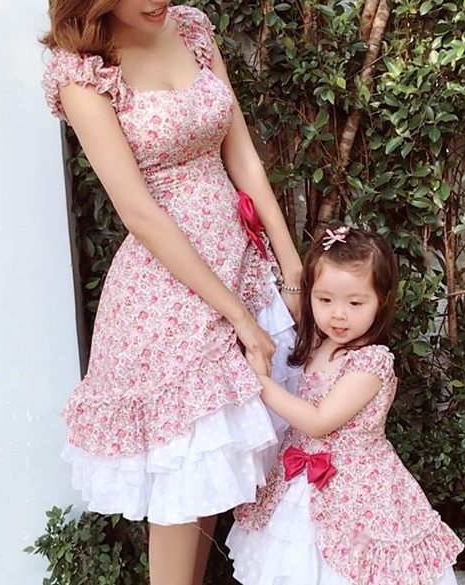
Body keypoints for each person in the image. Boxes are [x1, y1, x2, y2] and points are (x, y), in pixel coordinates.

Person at [40, 2, 302, 584]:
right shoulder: (81, 71)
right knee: (185, 487)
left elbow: (244, 159)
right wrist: (237, 317)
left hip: (243, 266)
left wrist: (291, 267)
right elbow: (138, 212)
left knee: (212, 485)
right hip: (168, 300)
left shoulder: (192, 28)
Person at [227, 226, 464, 585]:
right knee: (295, 564)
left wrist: (260, 384)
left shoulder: (371, 363)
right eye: (325, 300)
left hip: (357, 490)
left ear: (381, 299)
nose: (338, 314)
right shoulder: (317, 343)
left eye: (355, 303)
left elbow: (319, 420)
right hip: (301, 480)